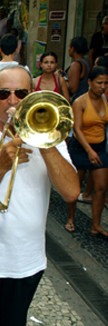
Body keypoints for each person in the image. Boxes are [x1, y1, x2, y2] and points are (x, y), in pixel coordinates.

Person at [0, 65, 79, 325]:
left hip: (26, 262)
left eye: (21, 93)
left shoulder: (52, 139)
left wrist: (42, 138)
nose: (12, 101)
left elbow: (71, 192)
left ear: (32, 96)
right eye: (3, 94)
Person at [65, 66, 108, 238]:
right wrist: (89, 151)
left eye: (106, 83)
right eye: (99, 82)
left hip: (99, 147)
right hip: (80, 147)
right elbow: (77, 129)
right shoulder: (80, 102)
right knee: (74, 188)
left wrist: (95, 150)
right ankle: (70, 218)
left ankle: (95, 225)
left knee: (101, 187)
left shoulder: (106, 100)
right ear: (89, 82)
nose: (102, 86)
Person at [67, 36, 90, 103]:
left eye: (69, 47)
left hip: (77, 100)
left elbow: (73, 89)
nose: (68, 49)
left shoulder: (76, 65)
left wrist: (61, 80)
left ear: (73, 49)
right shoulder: (86, 62)